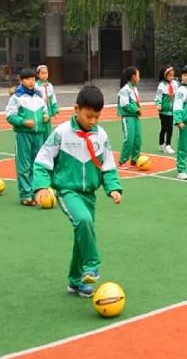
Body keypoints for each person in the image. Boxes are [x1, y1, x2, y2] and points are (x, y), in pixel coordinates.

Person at [33, 86, 122, 298]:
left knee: (82, 234)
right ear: (76, 109)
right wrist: (41, 186)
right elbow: (43, 160)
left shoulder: (101, 135)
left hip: (89, 194)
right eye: (88, 116)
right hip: (67, 191)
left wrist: (113, 188)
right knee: (83, 221)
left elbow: (108, 165)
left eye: (97, 116)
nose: (92, 121)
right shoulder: (62, 133)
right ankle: (92, 266)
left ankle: (76, 281)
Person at [6, 68, 49, 205]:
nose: (31, 82)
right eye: (27, 79)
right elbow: (10, 116)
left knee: (36, 165)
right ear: (21, 81)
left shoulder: (39, 95)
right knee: (24, 165)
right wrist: (23, 122)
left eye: (33, 79)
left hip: (39, 135)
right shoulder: (17, 97)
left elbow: (45, 110)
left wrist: (46, 116)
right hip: (24, 135)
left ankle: (35, 192)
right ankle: (25, 195)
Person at [117, 66, 143, 167]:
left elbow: (136, 102)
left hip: (135, 117)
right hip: (128, 118)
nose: (139, 78)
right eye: (138, 75)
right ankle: (122, 160)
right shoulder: (125, 90)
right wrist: (136, 109)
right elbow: (125, 105)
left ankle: (134, 159)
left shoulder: (134, 89)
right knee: (129, 139)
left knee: (138, 139)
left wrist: (139, 108)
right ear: (133, 77)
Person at [155, 66, 178, 154]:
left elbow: (177, 95)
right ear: (165, 75)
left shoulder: (174, 84)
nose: (172, 77)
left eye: (173, 75)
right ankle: (161, 144)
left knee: (170, 128)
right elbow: (158, 96)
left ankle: (168, 145)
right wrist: (158, 104)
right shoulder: (161, 85)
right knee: (164, 127)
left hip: (172, 110)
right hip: (164, 111)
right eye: (170, 75)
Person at [36, 65, 58, 138]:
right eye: (42, 73)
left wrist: (55, 111)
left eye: (46, 73)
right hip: (39, 110)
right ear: (38, 74)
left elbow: (53, 98)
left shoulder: (50, 86)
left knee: (47, 130)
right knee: (40, 129)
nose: (44, 75)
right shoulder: (36, 86)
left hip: (48, 111)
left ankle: (47, 142)